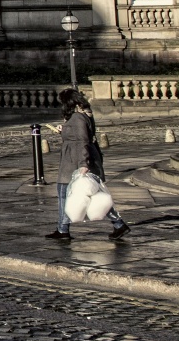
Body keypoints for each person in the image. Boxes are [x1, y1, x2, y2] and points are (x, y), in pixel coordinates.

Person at [47, 86, 128, 242]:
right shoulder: (82, 115)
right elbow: (78, 136)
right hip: (73, 159)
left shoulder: (77, 118)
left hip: (75, 161)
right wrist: (63, 130)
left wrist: (83, 164)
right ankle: (117, 225)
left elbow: (83, 141)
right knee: (93, 195)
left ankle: (64, 229)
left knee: (67, 193)